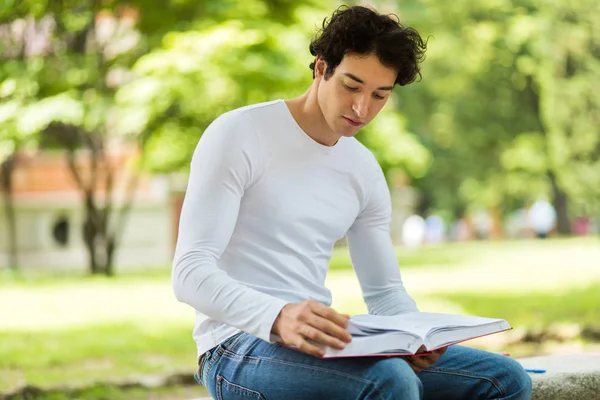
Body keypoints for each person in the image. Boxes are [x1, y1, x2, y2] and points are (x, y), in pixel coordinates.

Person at [172, 5, 532, 399]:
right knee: (389, 380)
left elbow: (385, 294)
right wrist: (277, 316)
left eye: (380, 95)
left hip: (318, 340)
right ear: (321, 69)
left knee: (505, 379)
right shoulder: (240, 134)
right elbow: (189, 271)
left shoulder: (362, 168)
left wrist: (413, 339)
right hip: (235, 347)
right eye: (351, 86)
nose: (363, 108)